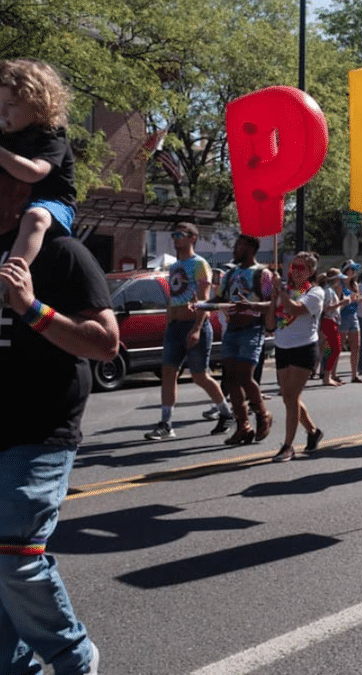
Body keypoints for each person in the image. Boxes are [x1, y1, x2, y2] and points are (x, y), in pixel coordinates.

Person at [0, 201, 116, 674]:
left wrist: (30, 307)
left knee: (14, 554)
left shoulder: (63, 253)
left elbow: (105, 344)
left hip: (41, 428)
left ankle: (74, 657)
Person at [144, 222, 232, 440]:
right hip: (175, 327)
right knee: (168, 373)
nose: (175, 239)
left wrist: (197, 328)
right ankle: (165, 423)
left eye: (179, 235)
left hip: (194, 327)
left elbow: (205, 300)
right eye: (173, 235)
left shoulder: (199, 264)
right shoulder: (174, 266)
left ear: (192, 238)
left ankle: (226, 413)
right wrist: (168, 320)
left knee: (200, 375)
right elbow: (173, 297)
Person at [0, 59, 77, 305]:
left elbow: (34, 172)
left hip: (52, 202)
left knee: (35, 218)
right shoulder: (5, 136)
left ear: (38, 106)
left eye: (10, 105)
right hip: (14, 202)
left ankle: (8, 281)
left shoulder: (51, 135)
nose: (2, 113)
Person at [214, 233, 274, 445]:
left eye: (239, 245)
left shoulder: (262, 274)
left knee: (245, 377)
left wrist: (251, 306)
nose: (235, 249)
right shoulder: (230, 274)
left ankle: (263, 415)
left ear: (250, 248)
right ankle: (243, 426)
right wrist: (200, 304)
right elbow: (218, 298)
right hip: (232, 329)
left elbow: (273, 304)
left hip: (252, 328)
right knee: (230, 379)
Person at [269, 251, 325, 462]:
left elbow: (295, 308)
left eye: (301, 268)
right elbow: (270, 323)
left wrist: (281, 292)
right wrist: (274, 298)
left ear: (311, 272)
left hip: (303, 348)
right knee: (287, 397)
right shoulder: (286, 290)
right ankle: (312, 431)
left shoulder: (315, 292)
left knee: (291, 397)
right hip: (282, 346)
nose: (295, 271)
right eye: (293, 267)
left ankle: (288, 446)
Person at [319, 268, 348, 387]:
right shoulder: (327, 291)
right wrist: (341, 303)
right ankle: (326, 376)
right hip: (328, 321)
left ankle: (327, 375)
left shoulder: (330, 290)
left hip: (332, 321)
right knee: (335, 348)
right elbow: (325, 308)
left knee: (332, 349)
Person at [339, 264, 362, 383]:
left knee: (356, 346)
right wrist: (352, 299)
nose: (353, 272)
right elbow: (340, 300)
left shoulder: (355, 285)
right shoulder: (340, 284)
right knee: (338, 346)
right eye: (351, 269)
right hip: (342, 316)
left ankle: (354, 374)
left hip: (353, 315)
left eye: (354, 270)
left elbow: (356, 298)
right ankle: (330, 373)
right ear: (345, 270)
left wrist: (358, 298)